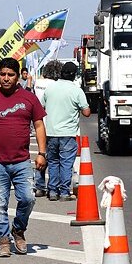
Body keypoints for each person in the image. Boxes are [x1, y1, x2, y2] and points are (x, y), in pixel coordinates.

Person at [0, 57, 47, 257]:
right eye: (3, 74)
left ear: (18, 77)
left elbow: (39, 125)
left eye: (10, 75)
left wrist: (41, 153)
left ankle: (18, 230)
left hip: (21, 161)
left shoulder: (29, 98)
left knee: (28, 198)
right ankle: (3, 240)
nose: (6, 78)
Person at [41, 62, 91, 201]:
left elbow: (41, 106)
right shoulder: (76, 90)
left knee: (53, 162)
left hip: (51, 133)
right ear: (74, 75)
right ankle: (64, 192)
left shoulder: (50, 88)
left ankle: (52, 191)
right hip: (68, 133)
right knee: (66, 163)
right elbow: (86, 112)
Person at [32, 60, 62, 197]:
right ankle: (53, 188)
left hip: (39, 125)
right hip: (53, 125)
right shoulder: (56, 85)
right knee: (54, 159)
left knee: (41, 154)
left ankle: (39, 185)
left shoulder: (38, 83)